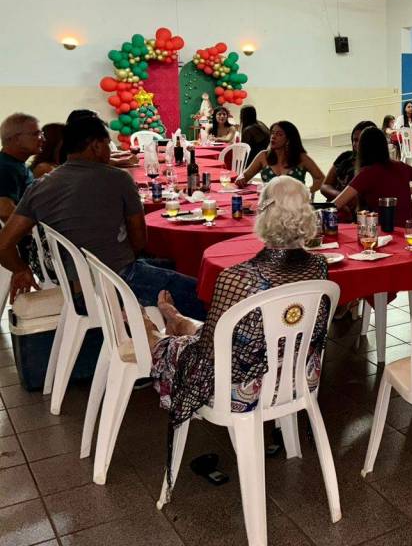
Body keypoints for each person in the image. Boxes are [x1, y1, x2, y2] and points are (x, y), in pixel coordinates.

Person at [145, 176, 330, 496]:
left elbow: (210, 352)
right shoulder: (319, 267)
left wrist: (182, 341)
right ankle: (177, 323)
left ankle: (157, 330)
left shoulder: (237, 276)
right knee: (215, 334)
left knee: (170, 345)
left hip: (245, 385)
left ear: (263, 214)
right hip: (299, 376)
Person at [0, 116, 205, 318]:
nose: (109, 150)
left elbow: (3, 245)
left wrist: (20, 269)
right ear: (96, 146)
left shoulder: (40, 186)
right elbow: (139, 241)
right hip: (115, 284)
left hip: (72, 288)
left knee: (170, 265)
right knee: (206, 294)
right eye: (107, 144)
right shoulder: (119, 179)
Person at [332, 127, 412, 223]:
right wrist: (403, 193)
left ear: (363, 148)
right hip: (411, 227)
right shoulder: (401, 166)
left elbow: (336, 204)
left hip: (387, 229)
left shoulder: (367, 173)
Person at [236, 121, 325, 196]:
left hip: (295, 206)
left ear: (289, 139)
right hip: (269, 204)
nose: (273, 137)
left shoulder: (301, 158)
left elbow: (321, 179)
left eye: (279, 134)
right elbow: (245, 175)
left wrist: (306, 191)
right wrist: (241, 178)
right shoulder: (263, 156)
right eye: (272, 133)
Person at [320, 119, 376, 203]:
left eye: (360, 140)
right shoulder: (345, 157)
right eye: (354, 140)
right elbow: (325, 186)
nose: (355, 144)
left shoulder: (375, 166)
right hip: (334, 206)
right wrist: (341, 197)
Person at [0, 113, 42, 221]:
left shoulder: (16, 165)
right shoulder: (5, 167)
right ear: (16, 139)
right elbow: (4, 211)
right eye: (36, 134)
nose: (42, 139)